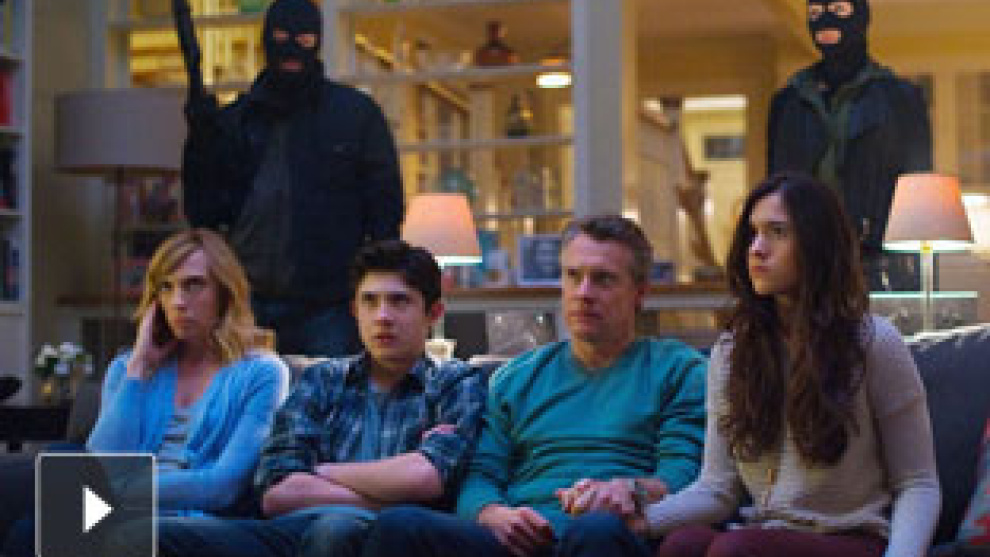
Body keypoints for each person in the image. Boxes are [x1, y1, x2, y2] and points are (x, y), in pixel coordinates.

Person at [363, 215, 708, 557]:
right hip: (521, 536)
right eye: (573, 276)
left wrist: (632, 490)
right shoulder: (518, 376)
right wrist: (492, 514)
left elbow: (685, 474)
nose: (583, 293)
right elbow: (481, 474)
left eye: (603, 279)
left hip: (613, 533)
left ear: (639, 293)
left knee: (596, 530)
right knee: (399, 524)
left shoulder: (678, 369)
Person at [641, 173, 940, 557]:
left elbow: (918, 484)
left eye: (777, 232)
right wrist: (643, 520)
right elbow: (717, 489)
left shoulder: (873, 342)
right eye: (753, 234)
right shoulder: (732, 352)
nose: (757, 248)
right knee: (683, 545)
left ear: (817, 245)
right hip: (764, 533)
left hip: (850, 538)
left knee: (736, 549)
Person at [139, 240, 486, 557]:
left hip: (370, 537)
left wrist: (323, 471)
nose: (382, 316)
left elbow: (427, 478)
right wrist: (389, 493)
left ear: (433, 314)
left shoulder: (453, 382)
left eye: (399, 301)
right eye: (370, 301)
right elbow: (276, 492)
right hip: (288, 530)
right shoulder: (322, 379)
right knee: (152, 534)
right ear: (355, 311)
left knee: (334, 529)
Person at [3, 228, 290, 557]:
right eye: (166, 287)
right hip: (116, 514)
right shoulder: (128, 368)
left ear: (225, 293)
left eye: (193, 285)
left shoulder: (261, 373)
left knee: (62, 517)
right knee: (32, 527)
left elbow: (222, 486)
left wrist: (117, 492)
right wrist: (138, 368)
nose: (178, 301)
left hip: (198, 525)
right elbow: (101, 464)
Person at [181, 0, 403, 356]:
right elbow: (203, 213)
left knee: (328, 391)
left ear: (318, 41)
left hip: (329, 305)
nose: (291, 50)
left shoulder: (355, 117)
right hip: (245, 303)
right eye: (282, 37)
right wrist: (200, 144)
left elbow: (385, 210)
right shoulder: (236, 122)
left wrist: (374, 289)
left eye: (304, 40)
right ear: (266, 40)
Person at [766, 0, 931, 290]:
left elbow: (919, 192)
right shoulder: (788, 103)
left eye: (838, 10)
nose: (825, 21)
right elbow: (775, 189)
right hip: (805, 258)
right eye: (815, 13)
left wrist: (911, 274)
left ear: (861, 18)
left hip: (879, 260)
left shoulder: (900, 99)